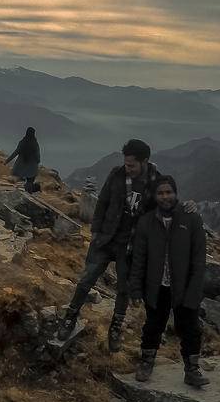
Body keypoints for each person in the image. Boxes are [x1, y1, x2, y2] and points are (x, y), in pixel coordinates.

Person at [57, 139, 161, 350]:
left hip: (130, 246)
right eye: (126, 163)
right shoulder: (117, 174)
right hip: (105, 238)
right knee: (86, 279)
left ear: (145, 161)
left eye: (132, 165)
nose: (127, 168)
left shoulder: (155, 183)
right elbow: (103, 201)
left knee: (123, 289)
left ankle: (115, 329)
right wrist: (95, 231)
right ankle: (70, 317)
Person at [129, 176, 208, 388]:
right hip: (156, 287)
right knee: (153, 326)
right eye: (161, 193)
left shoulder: (191, 219)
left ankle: (192, 369)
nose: (165, 197)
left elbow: (199, 259)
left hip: (183, 286)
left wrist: (194, 290)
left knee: (190, 328)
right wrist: (136, 288)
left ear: (176, 193)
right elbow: (139, 259)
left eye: (169, 192)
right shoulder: (147, 222)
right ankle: (146, 362)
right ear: (155, 196)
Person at [5, 127, 42, 192]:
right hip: (31, 168)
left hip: (20, 167)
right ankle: (30, 191)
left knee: (18, 180)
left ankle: (19, 190)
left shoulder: (22, 142)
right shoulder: (35, 144)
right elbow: (37, 156)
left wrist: (7, 161)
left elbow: (15, 153)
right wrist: (37, 161)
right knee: (30, 181)